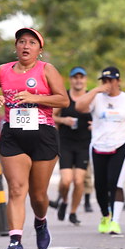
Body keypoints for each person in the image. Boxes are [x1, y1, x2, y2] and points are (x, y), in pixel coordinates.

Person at [0, 27, 68, 249]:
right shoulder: (1, 71)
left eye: (31, 42)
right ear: (15, 46)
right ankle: (15, 242)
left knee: (37, 195)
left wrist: (35, 98)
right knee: (17, 189)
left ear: (40, 49)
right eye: (21, 42)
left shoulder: (47, 70)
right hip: (13, 135)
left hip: (43, 135)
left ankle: (40, 222)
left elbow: (63, 99)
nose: (25, 46)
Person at [74, 66, 125, 236]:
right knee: (100, 185)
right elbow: (79, 107)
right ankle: (105, 215)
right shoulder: (96, 98)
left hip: (121, 144)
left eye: (111, 80)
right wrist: (95, 90)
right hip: (98, 146)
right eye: (104, 81)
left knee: (115, 182)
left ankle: (115, 221)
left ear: (119, 81)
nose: (107, 84)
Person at [51, 66, 93, 225]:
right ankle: (64, 201)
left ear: (85, 80)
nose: (78, 80)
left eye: (81, 77)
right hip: (66, 143)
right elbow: (52, 116)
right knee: (66, 181)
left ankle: (73, 212)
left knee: (79, 181)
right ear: (71, 79)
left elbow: (100, 116)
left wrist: (95, 124)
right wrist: (64, 120)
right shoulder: (65, 97)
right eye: (75, 77)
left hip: (84, 144)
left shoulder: (91, 97)